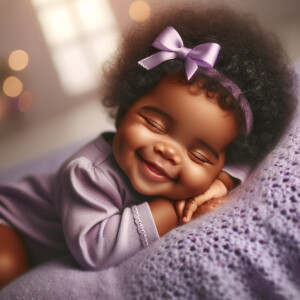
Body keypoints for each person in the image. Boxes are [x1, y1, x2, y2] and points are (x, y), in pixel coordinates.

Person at [0, 5, 296, 288]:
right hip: (13, 226)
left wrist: (220, 182)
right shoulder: (87, 173)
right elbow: (94, 249)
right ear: (125, 108)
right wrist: (171, 210)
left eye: (198, 154)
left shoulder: (220, 164)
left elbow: (249, 157)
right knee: (7, 266)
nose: (169, 151)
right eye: (155, 126)